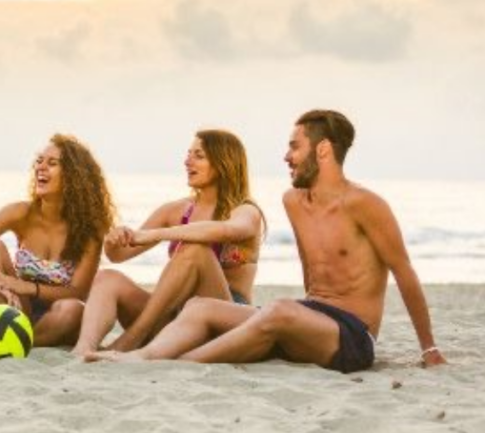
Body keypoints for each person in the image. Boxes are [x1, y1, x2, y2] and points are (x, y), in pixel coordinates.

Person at [86, 109, 447, 373]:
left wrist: (428, 347)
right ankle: (147, 354)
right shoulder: (294, 201)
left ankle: (166, 361)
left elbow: (404, 272)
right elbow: (313, 274)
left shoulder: (366, 204)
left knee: (279, 309)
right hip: (308, 317)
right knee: (200, 307)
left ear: (322, 150)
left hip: (352, 334)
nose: (286, 156)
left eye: (294, 147)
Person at [72, 129, 264, 356]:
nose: (187, 161)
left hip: (222, 317)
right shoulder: (175, 210)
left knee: (195, 250)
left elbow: (231, 230)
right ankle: (83, 349)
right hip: (173, 318)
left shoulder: (246, 211)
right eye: (188, 154)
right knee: (108, 278)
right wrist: (115, 239)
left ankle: (131, 339)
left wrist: (158, 234)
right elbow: (118, 256)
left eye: (199, 156)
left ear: (224, 163)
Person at [0, 134, 116, 347]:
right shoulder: (21, 213)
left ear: (74, 177)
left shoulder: (90, 229)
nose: (40, 168)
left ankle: (16, 341)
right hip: (17, 307)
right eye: (39, 161)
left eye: (52, 163)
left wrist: (29, 287)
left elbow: (78, 291)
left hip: (58, 317)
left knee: (74, 308)